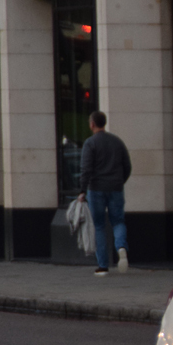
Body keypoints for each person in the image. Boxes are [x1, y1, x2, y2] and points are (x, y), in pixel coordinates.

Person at [78, 110, 131, 276]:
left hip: (96, 189)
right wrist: (119, 181)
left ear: (92, 124)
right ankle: (121, 247)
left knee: (99, 225)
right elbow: (127, 165)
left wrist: (82, 190)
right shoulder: (117, 142)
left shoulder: (90, 143)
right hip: (115, 188)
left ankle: (103, 266)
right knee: (118, 221)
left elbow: (86, 169)